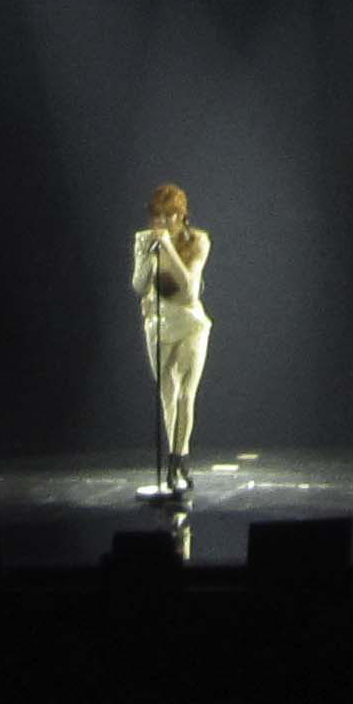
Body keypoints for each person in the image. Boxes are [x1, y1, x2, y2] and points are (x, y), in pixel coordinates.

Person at [130, 183, 212, 502]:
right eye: (158, 216)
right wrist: (150, 255)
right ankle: (173, 458)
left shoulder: (198, 241)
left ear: (182, 215)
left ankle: (179, 459)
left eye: (170, 216)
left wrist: (169, 249)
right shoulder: (143, 240)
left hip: (191, 322)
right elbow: (139, 285)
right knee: (167, 393)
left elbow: (190, 289)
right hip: (158, 324)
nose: (163, 222)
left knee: (186, 393)